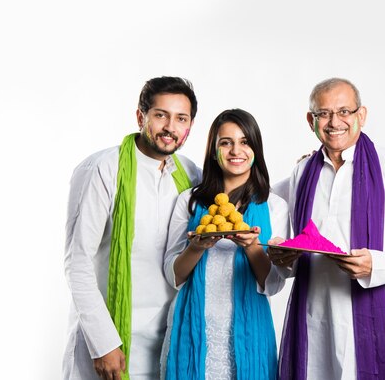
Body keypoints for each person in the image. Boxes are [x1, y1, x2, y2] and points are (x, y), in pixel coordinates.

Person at [269, 78, 385, 379]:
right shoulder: (301, 172)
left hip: (377, 315)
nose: (334, 122)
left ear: (361, 115)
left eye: (344, 111)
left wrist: (374, 265)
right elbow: (297, 243)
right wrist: (284, 257)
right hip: (314, 316)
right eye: (323, 113)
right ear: (311, 120)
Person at [63, 76, 201, 380]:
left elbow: (237, 198)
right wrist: (103, 343)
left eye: (181, 118)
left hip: (169, 340)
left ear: (189, 125)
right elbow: (78, 261)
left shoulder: (191, 173)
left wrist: (300, 171)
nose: (170, 127)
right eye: (160, 115)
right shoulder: (102, 168)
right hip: (111, 342)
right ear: (141, 116)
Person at [161, 108, 289, 380]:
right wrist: (197, 247)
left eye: (245, 142)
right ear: (213, 150)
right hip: (194, 329)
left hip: (250, 331)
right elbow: (174, 275)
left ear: (256, 148)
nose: (235, 150)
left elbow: (274, 284)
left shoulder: (274, 206)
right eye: (226, 142)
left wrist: (252, 246)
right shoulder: (191, 201)